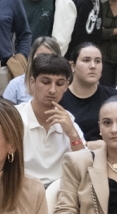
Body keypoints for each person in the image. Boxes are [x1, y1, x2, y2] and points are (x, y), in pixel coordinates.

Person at [19, 52, 84, 186]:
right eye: (46, 82)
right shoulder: (15, 117)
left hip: (61, 192)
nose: (52, 90)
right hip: (22, 189)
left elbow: (84, 168)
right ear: (33, 82)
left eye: (59, 84)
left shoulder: (69, 120)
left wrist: (72, 134)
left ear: (66, 86)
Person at [64, 41, 117, 143]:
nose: (93, 66)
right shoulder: (58, 97)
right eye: (86, 60)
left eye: (98, 61)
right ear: (72, 66)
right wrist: (86, 146)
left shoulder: (114, 98)